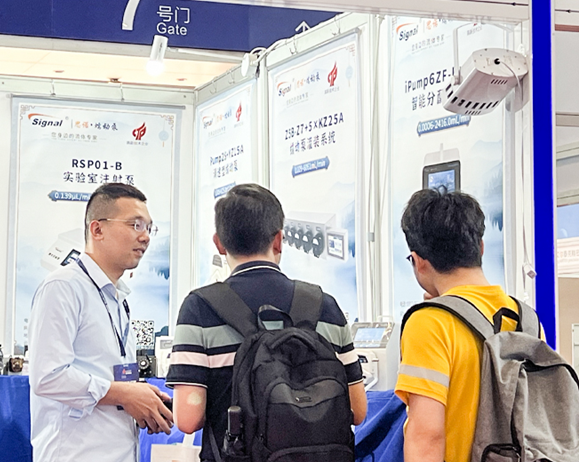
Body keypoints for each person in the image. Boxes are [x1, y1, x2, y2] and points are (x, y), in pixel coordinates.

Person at [166, 183, 367, 461]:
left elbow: (188, 420)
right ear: (278, 240)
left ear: (219, 244)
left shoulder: (199, 308)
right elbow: (358, 411)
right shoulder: (326, 305)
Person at [28, 183, 173, 462]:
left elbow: (108, 375)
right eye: (135, 225)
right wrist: (124, 394)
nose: (145, 237)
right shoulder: (63, 287)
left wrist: (138, 395)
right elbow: (48, 377)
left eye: (149, 228)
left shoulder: (118, 297)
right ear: (97, 230)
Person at [395, 189, 528, 462]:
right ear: (480, 247)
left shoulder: (430, 323)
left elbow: (427, 438)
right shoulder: (526, 319)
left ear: (418, 262)